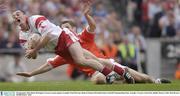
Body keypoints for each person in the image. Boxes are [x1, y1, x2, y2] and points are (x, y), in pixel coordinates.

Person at [16, 3, 170, 84]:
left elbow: (93, 27)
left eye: (68, 27)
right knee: (97, 77)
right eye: (63, 27)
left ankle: (153, 81)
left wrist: (87, 16)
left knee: (142, 79)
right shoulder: (64, 50)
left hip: (107, 64)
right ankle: (121, 76)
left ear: (73, 29)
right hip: (96, 71)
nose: (65, 29)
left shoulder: (83, 37)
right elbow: (48, 65)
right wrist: (30, 73)